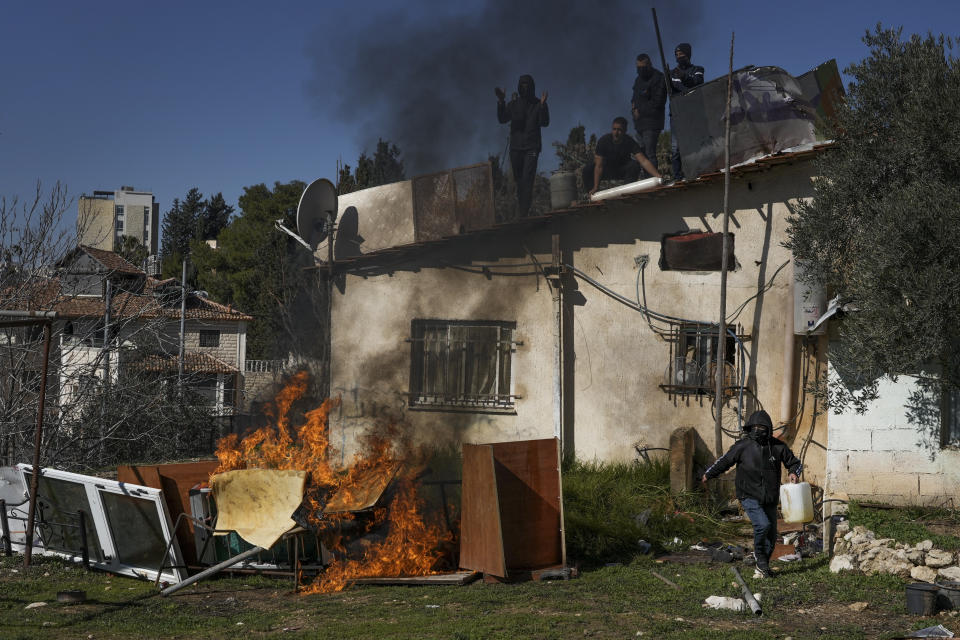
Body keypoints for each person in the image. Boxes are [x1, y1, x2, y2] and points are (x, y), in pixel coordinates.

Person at [700, 409, 802, 579]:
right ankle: (759, 559)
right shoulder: (742, 446)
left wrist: (793, 472)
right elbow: (724, 461)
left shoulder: (778, 447)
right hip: (748, 494)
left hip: (769, 497)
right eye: (755, 426)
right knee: (762, 525)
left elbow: (795, 463)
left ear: (768, 428)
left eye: (762, 427)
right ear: (749, 428)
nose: (758, 430)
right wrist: (708, 474)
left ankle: (762, 567)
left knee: (771, 536)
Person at [496, 74, 549, 217]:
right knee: (519, 181)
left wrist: (543, 106)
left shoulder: (538, 104)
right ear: (519, 86)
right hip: (516, 148)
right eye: (522, 84)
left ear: (532, 86)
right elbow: (502, 119)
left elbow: (544, 122)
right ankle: (522, 211)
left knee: (527, 178)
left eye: (527, 84)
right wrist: (501, 101)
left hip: (531, 147)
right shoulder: (514, 104)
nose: (525, 87)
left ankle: (524, 212)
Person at [581, 117, 661, 197]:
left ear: (625, 131)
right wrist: (596, 187)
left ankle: (628, 193)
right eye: (614, 129)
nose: (616, 133)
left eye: (619, 130)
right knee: (588, 169)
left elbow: (643, 161)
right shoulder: (604, 141)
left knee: (634, 165)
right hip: (607, 170)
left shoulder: (630, 142)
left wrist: (658, 176)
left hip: (622, 170)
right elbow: (599, 166)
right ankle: (591, 195)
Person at [669, 43, 704, 181]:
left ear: (688, 55)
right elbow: (672, 90)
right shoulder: (671, 73)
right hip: (676, 114)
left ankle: (696, 172)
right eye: (677, 55)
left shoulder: (698, 69)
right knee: (676, 148)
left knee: (694, 145)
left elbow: (697, 83)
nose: (679, 57)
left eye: (681, 54)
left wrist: (684, 77)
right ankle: (677, 177)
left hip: (692, 112)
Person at [631, 53, 666, 178]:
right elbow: (634, 98)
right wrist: (634, 108)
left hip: (652, 123)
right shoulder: (638, 80)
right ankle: (644, 178)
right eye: (638, 68)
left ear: (649, 65)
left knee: (650, 153)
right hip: (639, 124)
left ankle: (653, 179)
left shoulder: (658, 78)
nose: (640, 70)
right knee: (639, 154)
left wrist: (639, 110)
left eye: (643, 67)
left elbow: (658, 102)